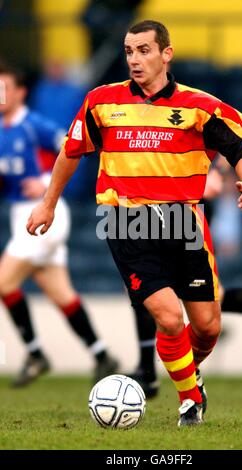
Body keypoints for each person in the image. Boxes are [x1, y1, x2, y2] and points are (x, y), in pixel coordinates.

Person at [26, 20, 242, 427]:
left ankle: (187, 371)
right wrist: (48, 204)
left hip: (184, 224)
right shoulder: (101, 101)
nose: (134, 59)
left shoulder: (200, 106)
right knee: (170, 318)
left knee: (207, 328)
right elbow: (70, 152)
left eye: (143, 50)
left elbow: (239, 147)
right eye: (128, 51)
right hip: (126, 223)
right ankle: (190, 402)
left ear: (165, 54)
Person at [129, 164, 242, 399]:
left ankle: (151, 372)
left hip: (187, 212)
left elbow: (221, 160)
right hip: (155, 209)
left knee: (212, 297)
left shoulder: (204, 133)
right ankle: (147, 371)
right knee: (147, 292)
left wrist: (215, 174)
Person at [0, 62, 118, 386]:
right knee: (61, 294)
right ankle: (102, 354)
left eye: (5, 87)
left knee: (3, 281)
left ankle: (36, 354)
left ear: (21, 92)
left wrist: (44, 183)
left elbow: (73, 150)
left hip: (46, 211)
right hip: (21, 216)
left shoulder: (33, 125)